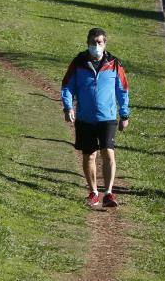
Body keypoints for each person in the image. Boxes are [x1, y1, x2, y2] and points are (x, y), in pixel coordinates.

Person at [61, 28, 130, 208]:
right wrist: (68, 106)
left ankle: (108, 193)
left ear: (105, 44)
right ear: (88, 43)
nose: (96, 46)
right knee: (89, 155)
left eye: (99, 42)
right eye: (93, 43)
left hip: (107, 117)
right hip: (85, 118)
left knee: (108, 152)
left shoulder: (114, 64)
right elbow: (67, 86)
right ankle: (93, 192)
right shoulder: (78, 62)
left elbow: (122, 89)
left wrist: (124, 114)